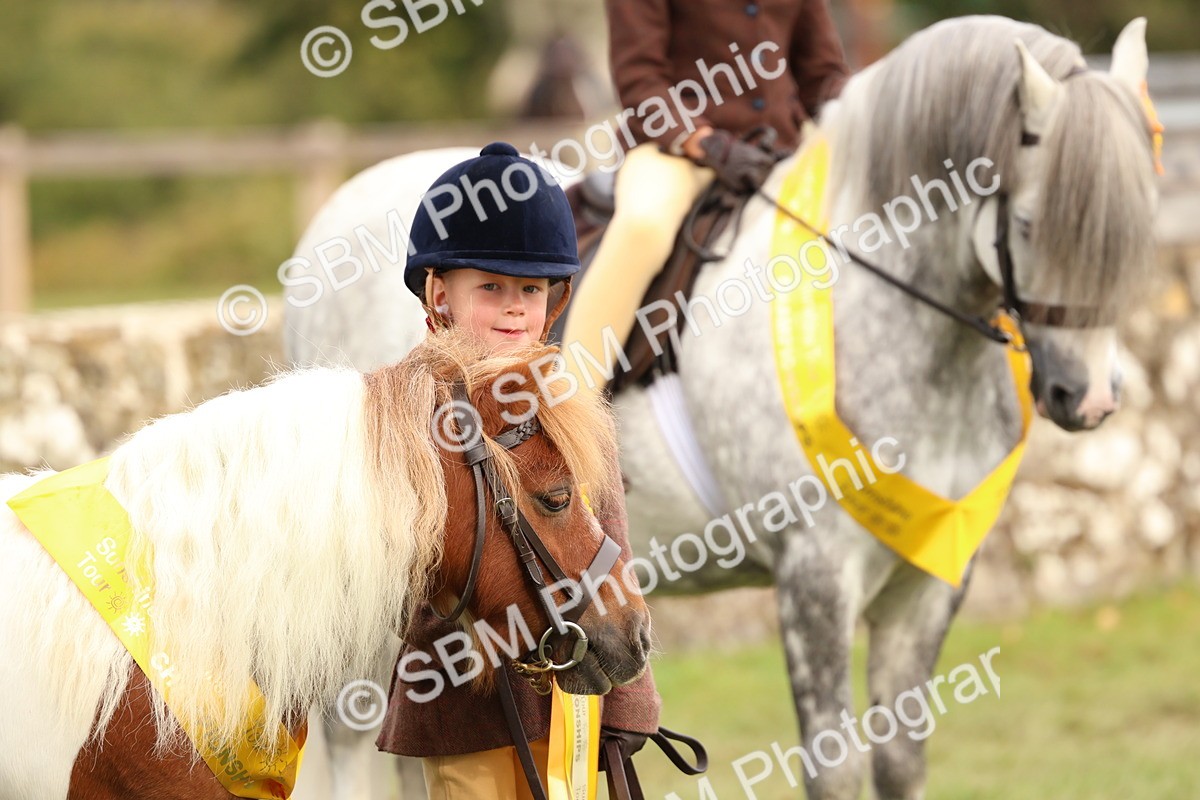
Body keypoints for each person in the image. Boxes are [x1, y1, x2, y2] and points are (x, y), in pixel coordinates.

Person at [375, 142, 661, 800]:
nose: (513, 308)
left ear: (555, 300)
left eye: (530, 290)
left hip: (574, 692)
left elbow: (608, 537)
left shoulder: (571, 402)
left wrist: (630, 702)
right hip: (460, 704)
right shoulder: (409, 410)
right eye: (492, 288)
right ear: (440, 293)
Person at [563, 0, 851, 391]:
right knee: (643, 226)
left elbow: (823, 76)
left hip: (782, 153)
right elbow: (640, 79)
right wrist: (705, 142)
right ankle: (569, 407)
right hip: (679, 149)